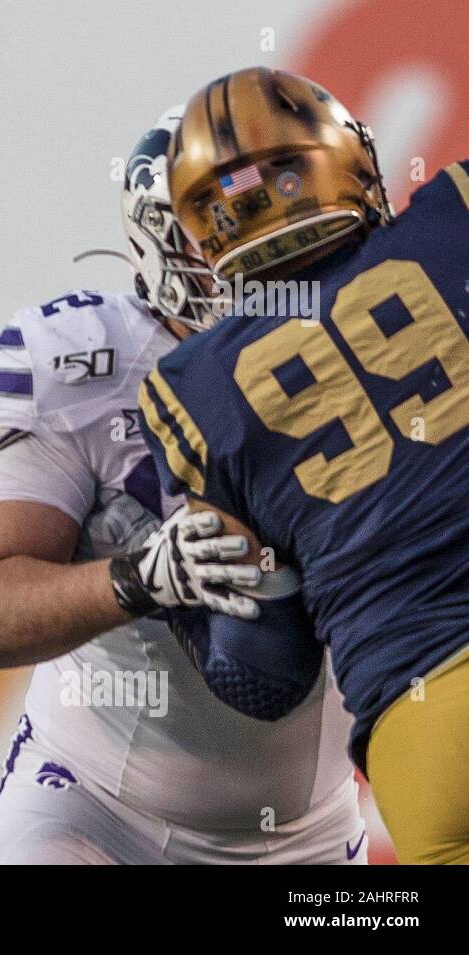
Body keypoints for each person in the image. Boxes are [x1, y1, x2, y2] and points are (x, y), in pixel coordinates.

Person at [0, 108, 363, 865]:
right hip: (95, 807)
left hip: (312, 834)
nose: (265, 254)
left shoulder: (383, 344)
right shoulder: (90, 364)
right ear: (166, 246)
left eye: (286, 215)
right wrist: (139, 578)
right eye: (230, 227)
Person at [140, 66, 469, 864]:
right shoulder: (454, 217)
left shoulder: (189, 391)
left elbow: (270, 671)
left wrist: (178, 600)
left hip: (425, 732)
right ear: (341, 157)